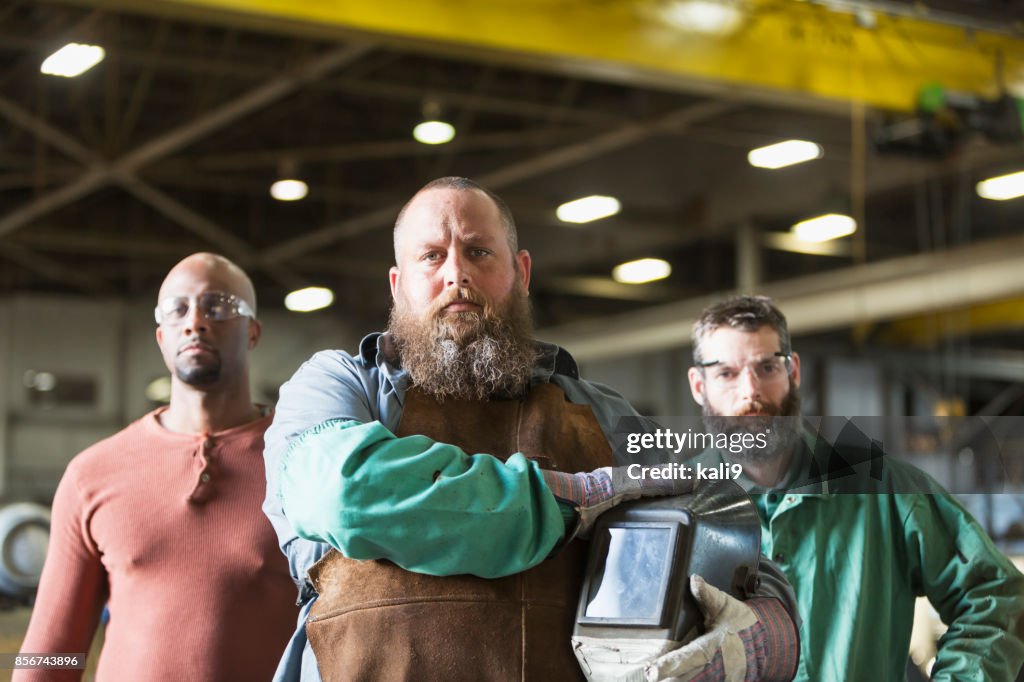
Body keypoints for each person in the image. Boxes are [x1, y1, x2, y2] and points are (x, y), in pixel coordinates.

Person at [263, 177, 800, 682]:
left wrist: (769, 633)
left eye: (478, 252)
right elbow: (344, 493)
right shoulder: (341, 387)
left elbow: (722, 522)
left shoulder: (598, 414)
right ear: (398, 284)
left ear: (520, 272)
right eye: (432, 256)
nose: (457, 274)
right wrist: (574, 498)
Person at [685, 294, 1024, 681]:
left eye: (766, 367)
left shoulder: (887, 492)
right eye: (726, 373)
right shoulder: (677, 504)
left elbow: (992, 595)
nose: (750, 392)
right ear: (699, 385)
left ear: (793, 372)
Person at [18, 253, 296, 681]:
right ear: (162, 336)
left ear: (253, 331)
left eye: (219, 305)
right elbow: (51, 654)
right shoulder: (92, 475)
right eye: (178, 309)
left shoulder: (303, 462)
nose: (196, 321)